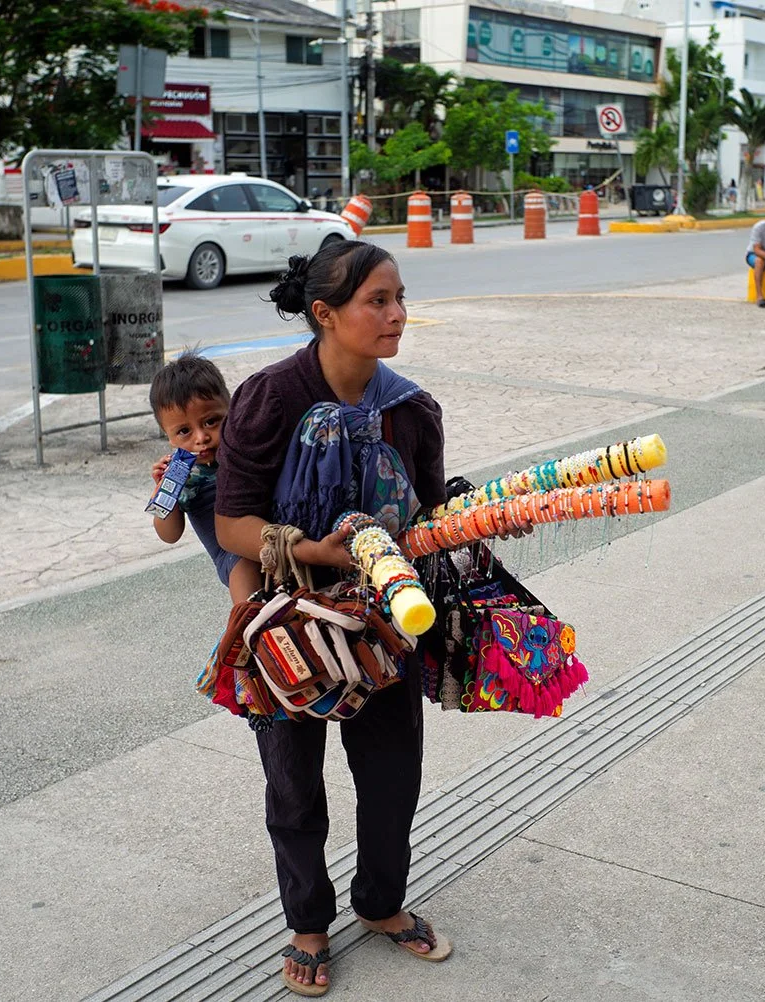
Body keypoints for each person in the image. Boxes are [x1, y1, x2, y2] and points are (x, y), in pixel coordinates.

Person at [214, 240, 452, 996]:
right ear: (325, 314)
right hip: (285, 622)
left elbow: (429, 513)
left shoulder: (410, 409)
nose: (397, 316)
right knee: (293, 784)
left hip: (381, 627)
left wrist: (467, 525)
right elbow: (231, 523)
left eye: (399, 298)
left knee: (391, 776)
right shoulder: (270, 398)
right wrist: (311, 548)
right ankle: (307, 922)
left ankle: (381, 905)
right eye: (377, 302)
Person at [148, 353, 261, 604]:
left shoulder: (242, 449)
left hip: (266, 536)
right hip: (231, 556)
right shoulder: (180, 474)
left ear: (231, 411)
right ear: (169, 436)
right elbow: (169, 535)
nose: (201, 438)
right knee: (245, 565)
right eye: (184, 431)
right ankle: (249, 630)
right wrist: (166, 495)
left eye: (211, 422)